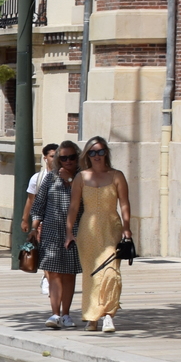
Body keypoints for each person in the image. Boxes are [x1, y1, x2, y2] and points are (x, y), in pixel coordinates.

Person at [67, 135, 133, 332]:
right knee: (92, 274)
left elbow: (125, 203)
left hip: (111, 227)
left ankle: (108, 315)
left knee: (111, 272)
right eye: (93, 152)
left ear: (106, 153)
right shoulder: (81, 177)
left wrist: (127, 227)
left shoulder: (117, 176)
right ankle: (92, 317)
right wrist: (69, 231)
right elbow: (73, 207)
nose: (97, 155)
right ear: (87, 155)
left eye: (101, 151)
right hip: (87, 231)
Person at [30, 140, 81, 328]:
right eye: (64, 158)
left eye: (72, 157)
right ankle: (55, 314)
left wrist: (70, 180)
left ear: (78, 157)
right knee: (53, 273)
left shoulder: (82, 177)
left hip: (74, 232)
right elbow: (38, 205)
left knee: (69, 273)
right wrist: (34, 227)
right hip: (51, 231)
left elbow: (86, 201)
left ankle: (66, 314)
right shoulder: (51, 178)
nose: (68, 161)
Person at [22, 144, 59, 299]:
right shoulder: (37, 178)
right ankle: (48, 280)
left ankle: (52, 280)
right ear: (45, 158)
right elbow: (31, 200)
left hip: (60, 222)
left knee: (57, 254)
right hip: (42, 222)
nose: (55, 159)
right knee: (46, 253)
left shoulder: (66, 177)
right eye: (52, 156)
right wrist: (25, 220)